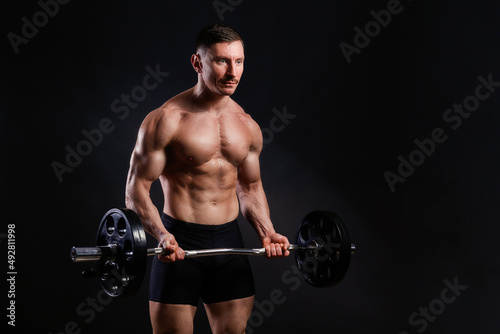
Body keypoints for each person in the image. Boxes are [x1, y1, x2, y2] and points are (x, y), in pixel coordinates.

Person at [125, 23, 290, 334]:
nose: (232, 72)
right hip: (177, 244)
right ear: (197, 63)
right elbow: (136, 191)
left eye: (238, 61)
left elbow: (251, 189)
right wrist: (161, 236)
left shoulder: (247, 126)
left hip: (229, 246)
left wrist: (267, 232)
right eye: (221, 61)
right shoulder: (165, 120)